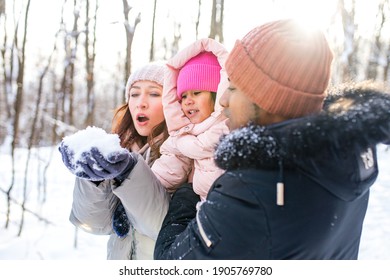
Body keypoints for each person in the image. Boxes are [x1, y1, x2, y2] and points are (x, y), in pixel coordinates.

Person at [154, 19, 390, 259]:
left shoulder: (253, 191)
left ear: (268, 99)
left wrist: (185, 196)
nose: (223, 100)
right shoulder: (349, 155)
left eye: (233, 88)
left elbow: (171, 263)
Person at [58, 62, 171, 260]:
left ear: (172, 102)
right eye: (134, 94)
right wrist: (92, 178)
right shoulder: (122, 149)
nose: (140, 103)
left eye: (154, 94)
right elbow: (93, 224)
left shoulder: (182, 154)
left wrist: (130, 173)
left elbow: (163, 228)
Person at [151, 38, 229, 200]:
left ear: (218, 94)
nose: (188, 101)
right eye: (183, 96)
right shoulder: (182, 135)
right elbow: (162, 177)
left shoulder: (229, 127)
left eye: (197, 93)